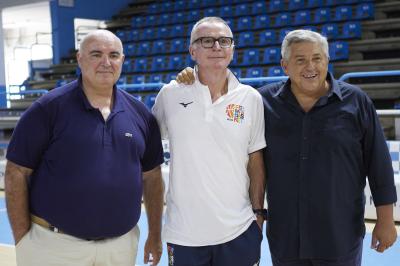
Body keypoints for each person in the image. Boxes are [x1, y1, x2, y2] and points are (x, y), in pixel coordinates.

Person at [176, 29, 397, 266]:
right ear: (284, 66)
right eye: (300, 60)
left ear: (327, 60)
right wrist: (194, 78)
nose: (310, 67)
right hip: (286, 237)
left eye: (317, 58)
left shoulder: (357, 102)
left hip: (340, 235)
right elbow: (221, 102)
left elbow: (379, 164)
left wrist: (386, 221)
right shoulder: (261, 102)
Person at [5, 29, 164, 266]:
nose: (106, 63)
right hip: (54, 247)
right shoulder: (47, 109)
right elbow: (16, 172)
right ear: (80, 59)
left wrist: (154, 234)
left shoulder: (140, 114)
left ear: (122, 60)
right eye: (96, 54)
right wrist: (23, 240)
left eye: (113, 55)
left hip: (119, 249)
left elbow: (152, 177)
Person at [152, 17, 267, 265]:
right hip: (184, 234)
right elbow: (147, 152)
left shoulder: (251, 98)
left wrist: (258, 214)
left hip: (239, 230)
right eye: (207, 41)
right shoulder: (170, 95)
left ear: (233, 49)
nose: (217, 46)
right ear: (192, 51)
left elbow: (255, 159)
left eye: (224, 41)